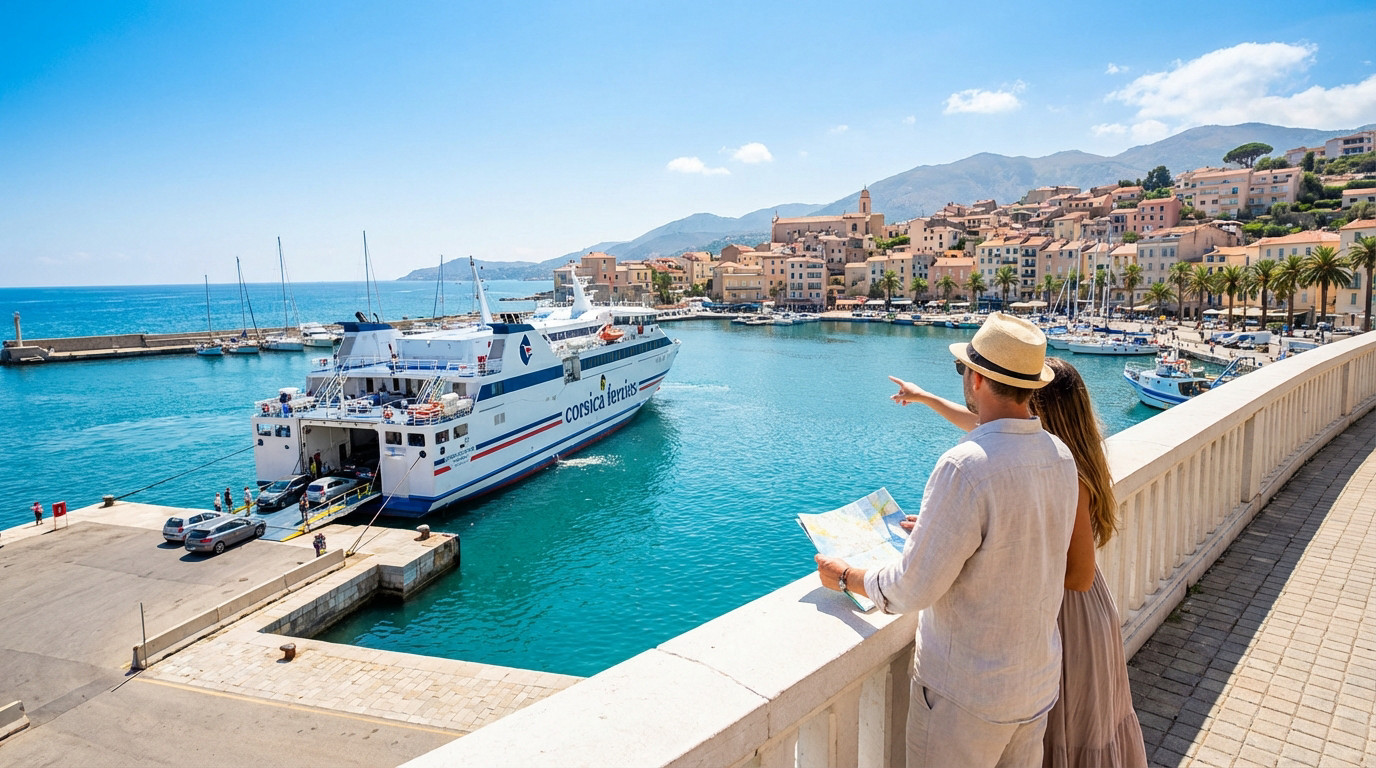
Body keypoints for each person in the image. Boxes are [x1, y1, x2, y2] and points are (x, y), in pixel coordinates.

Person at [815, 312, 1078, 767]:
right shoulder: (1059, 456)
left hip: (967, 696)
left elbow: (910, 589)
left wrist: (843, 576)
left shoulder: (965, 465)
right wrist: (941, 532)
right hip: (1034, 685)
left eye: (962, 370)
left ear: (976, 379)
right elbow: (1015, 544)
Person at [887, 356, 1148, 767]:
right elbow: (983, 426)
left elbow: (1078, 576)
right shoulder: (1048, 454)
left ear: (1040, 407)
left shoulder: (1064, 467)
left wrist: (998, 547)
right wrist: (924, 398)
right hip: (1042, 616)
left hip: (1064, 617)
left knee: (1067, 740)